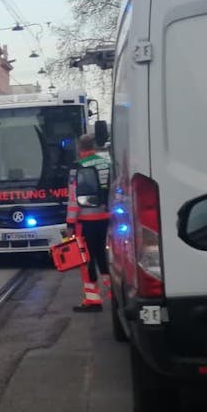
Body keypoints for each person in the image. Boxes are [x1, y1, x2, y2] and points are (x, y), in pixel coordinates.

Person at [67, 133, 112, 313]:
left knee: (86, 260)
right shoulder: (106, 164)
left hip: (85, 221)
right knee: (104, 257)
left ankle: (93, 300)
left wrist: (70, 223)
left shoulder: (78, 167)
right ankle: (114, 294)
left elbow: (73, 199)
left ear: (79, 148)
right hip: (107, 219)